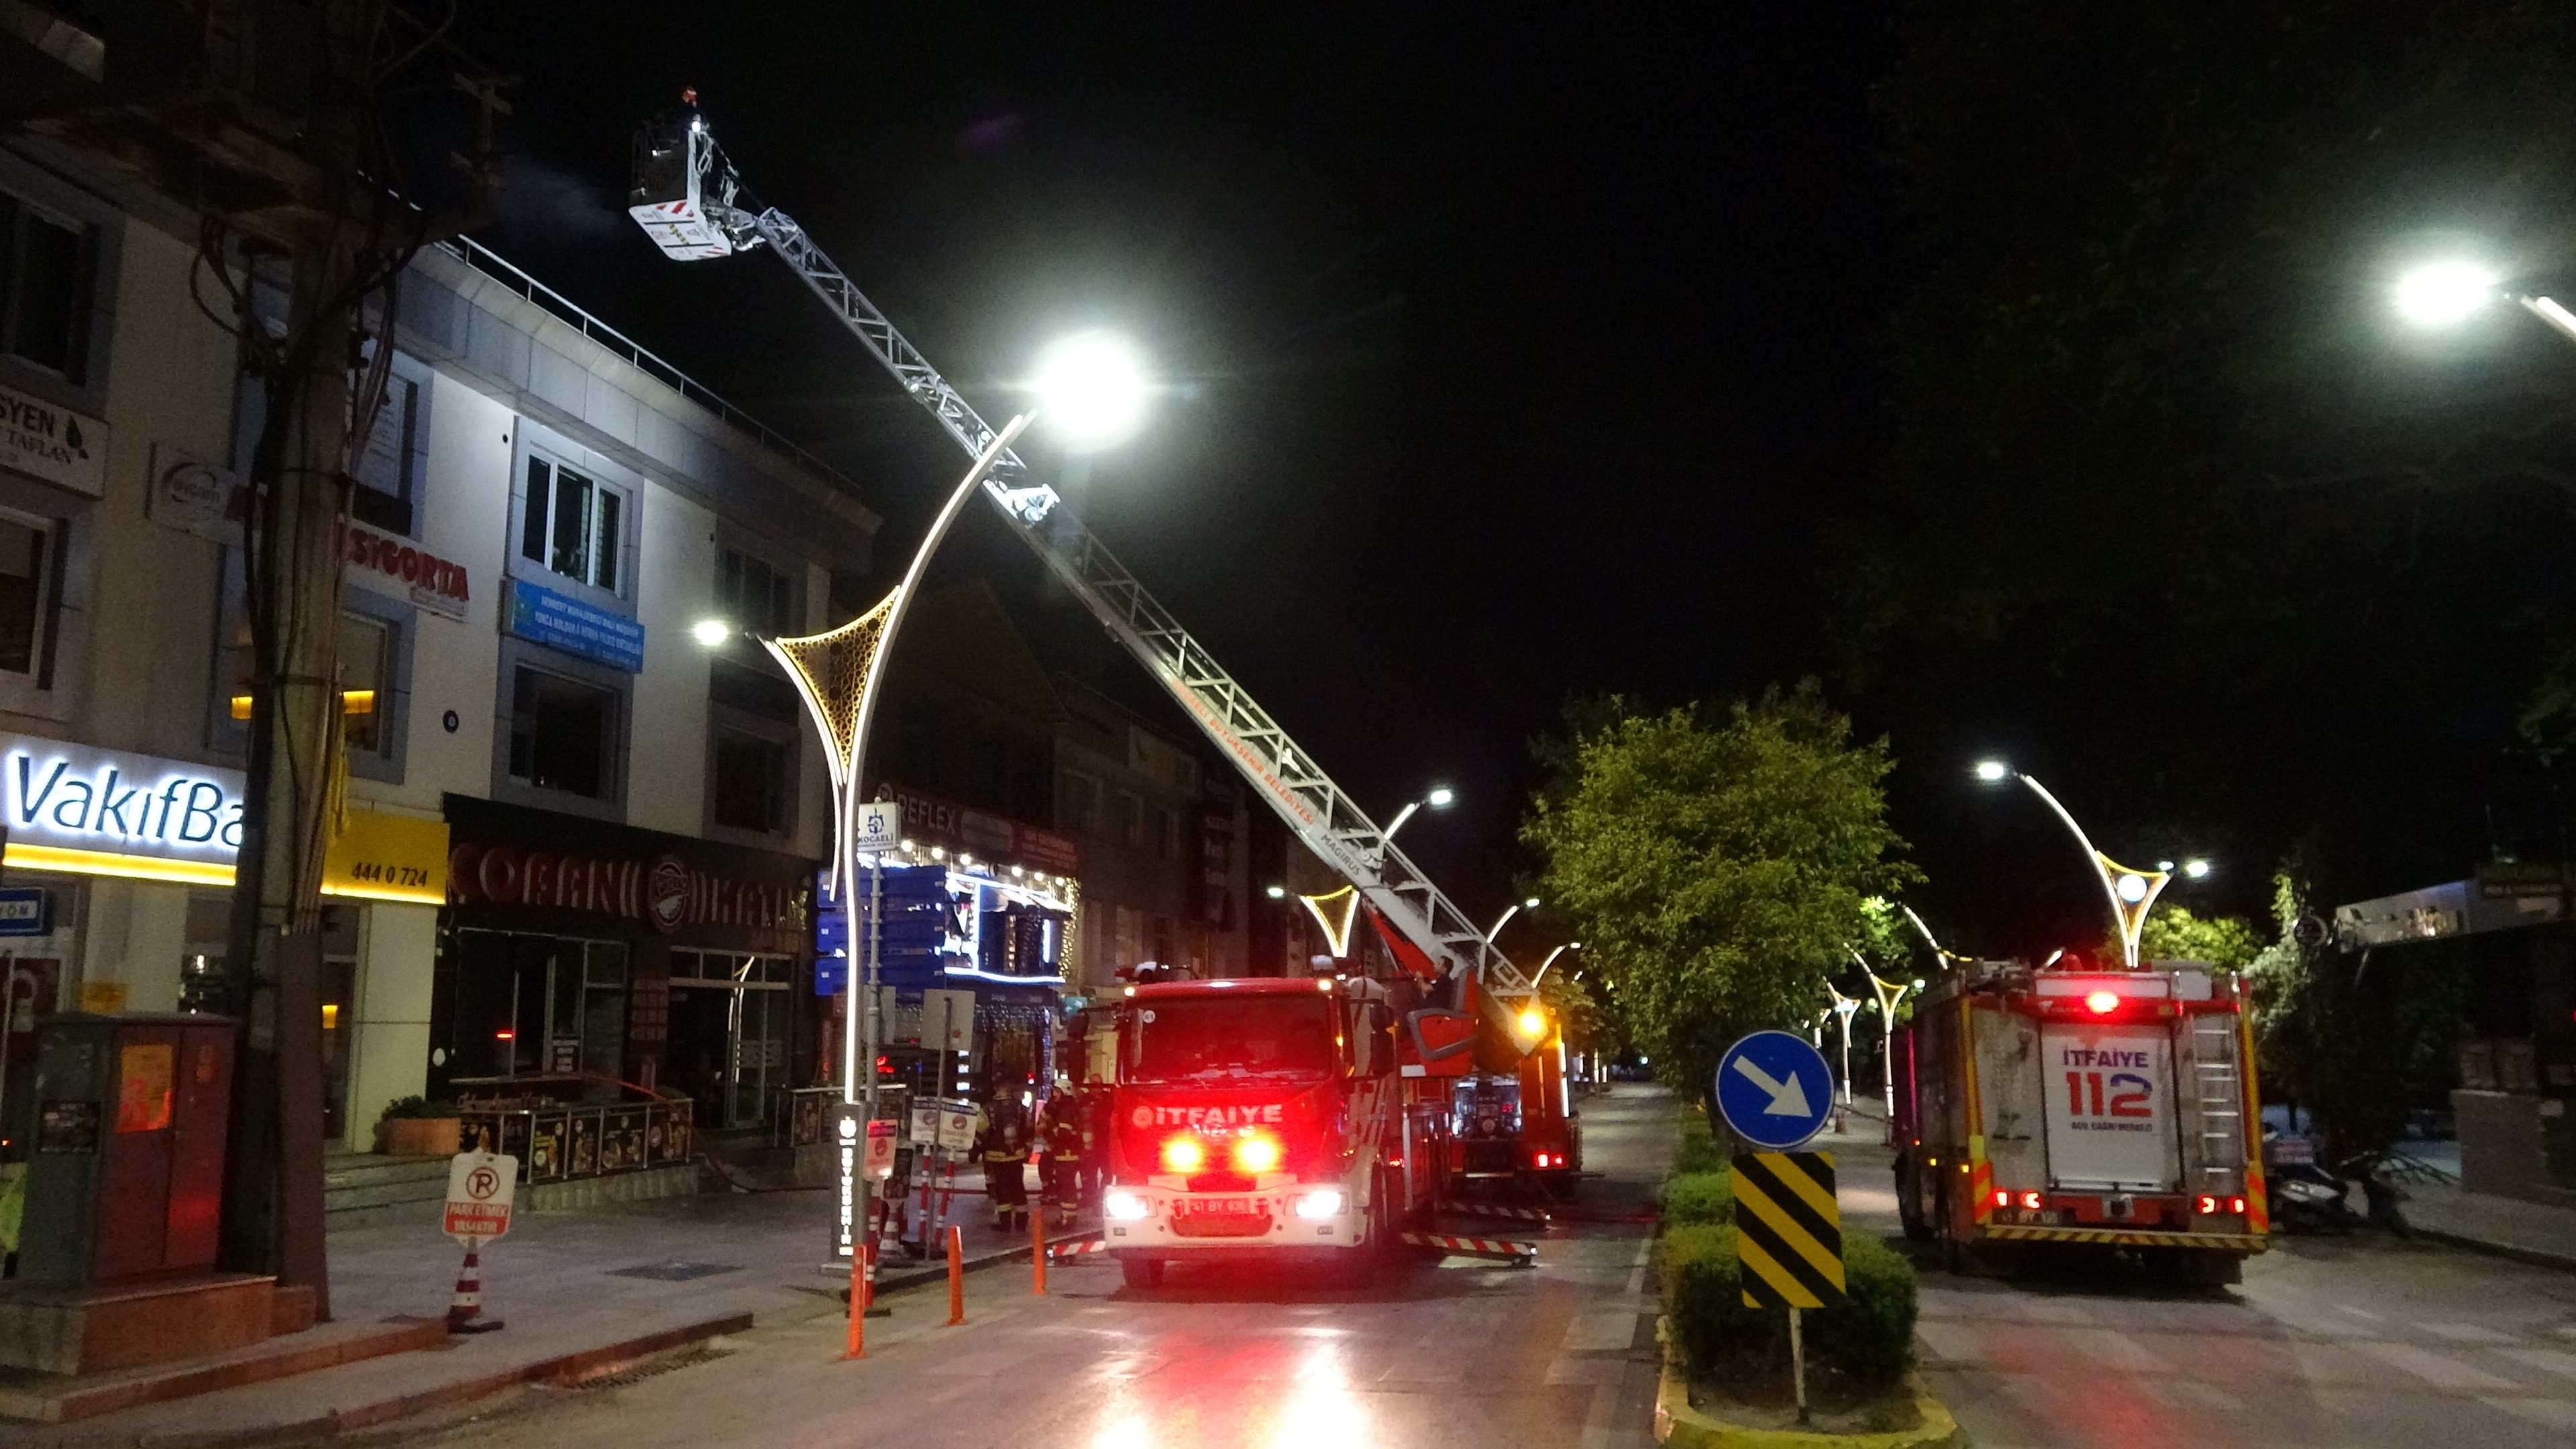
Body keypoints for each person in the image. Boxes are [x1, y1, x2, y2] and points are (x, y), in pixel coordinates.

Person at [977, 1102, 1031, 1234]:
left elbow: (979, 1132)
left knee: (1002, 1190)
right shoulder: (1021, 1108)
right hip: (1017, 1156)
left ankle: (1005, 1222)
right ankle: (1022, 1221)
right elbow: (1029, 1130)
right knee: (1018, 1188)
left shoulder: (988, 1110)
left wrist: (974, 1152)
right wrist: (1027, 1150)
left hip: (998, 1158)